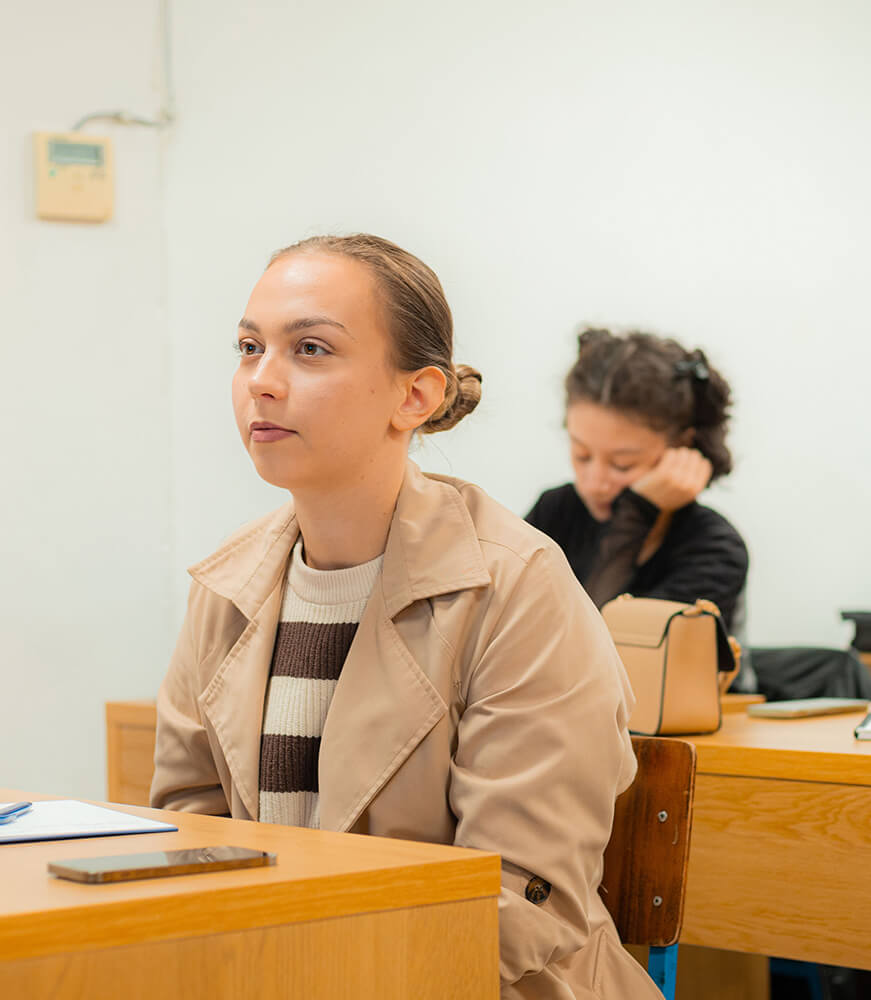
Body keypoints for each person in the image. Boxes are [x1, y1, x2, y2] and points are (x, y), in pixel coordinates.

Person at [149, 234, 658, 1000]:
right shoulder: (228, 585)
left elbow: (515, 902)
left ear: (415, 395)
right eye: (250, 347)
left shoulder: (517, 585)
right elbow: (193, 834)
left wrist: (303, 973)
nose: (262, 381)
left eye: (311, 349)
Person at [525, 328, 749, 631]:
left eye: (622, 465)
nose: (594, 484)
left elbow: (599, 647)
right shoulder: (556, 511)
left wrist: (637, 512)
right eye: (582, 455)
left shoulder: (715, 549)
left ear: (681, 448)